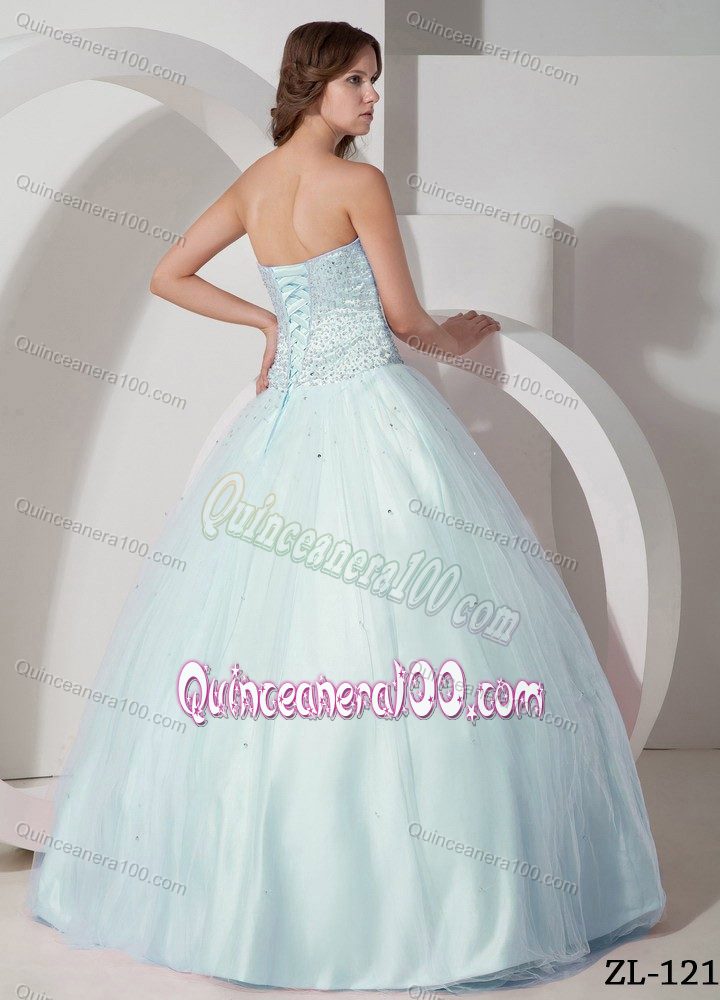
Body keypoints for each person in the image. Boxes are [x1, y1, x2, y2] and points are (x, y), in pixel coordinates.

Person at [26, 20, 666, 992]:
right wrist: (463, 334)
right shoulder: (357, 185)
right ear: (316, 84)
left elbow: (168, 274)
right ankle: (428, 892)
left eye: (374, 79)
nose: (372, 97)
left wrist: (266, 321)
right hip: (373, 413)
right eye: (358, 81)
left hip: (284, 428)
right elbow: (406, 323)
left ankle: (259, 896)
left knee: (268, 634)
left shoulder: (256, 183)